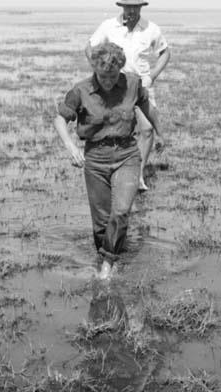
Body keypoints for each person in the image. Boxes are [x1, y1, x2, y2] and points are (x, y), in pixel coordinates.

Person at [54, 41, 165, 280]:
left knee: (122, 210)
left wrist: (161, 133)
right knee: (102, 221)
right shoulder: (81, 90)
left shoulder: (133, 84)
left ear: (120, 69)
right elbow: (60, 120)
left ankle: (107, 265)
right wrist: (71, 146)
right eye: (103, 76)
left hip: (127, 154)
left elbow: (148, 109)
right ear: (95, 68)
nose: (107, 81)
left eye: (113, 76)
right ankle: (106, 254)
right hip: (95, 159)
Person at [85, 0, 170, 191]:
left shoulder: (151, 28)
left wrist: (152, 76)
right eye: (128, 7)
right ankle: (113, 172)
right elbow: (89, 48)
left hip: (141, 87)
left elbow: (165, 53)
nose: (131, 11)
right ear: (122, 6)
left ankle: (138, 176)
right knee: (117, 131)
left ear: (141, 7)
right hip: (116, 89)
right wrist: (100, 72)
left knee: (147, 130)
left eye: (135, 7)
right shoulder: (108, 26)